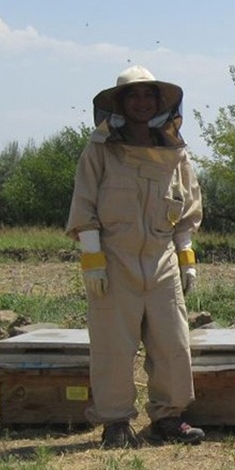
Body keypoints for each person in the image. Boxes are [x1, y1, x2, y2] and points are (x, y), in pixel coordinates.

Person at [66, 65, 206, 448]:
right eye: (134, 96)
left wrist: (186, 258)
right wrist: (92, 260)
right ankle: (115, 424)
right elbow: (86, 207)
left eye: (148, 96)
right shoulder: (99, 150)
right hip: (114, 261)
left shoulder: (176, 153)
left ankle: (169, 418)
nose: (142, 103)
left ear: (160, 102)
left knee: (173, 344)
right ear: (120, 103)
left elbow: (186, 211)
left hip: (162, 263)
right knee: (113, 346)